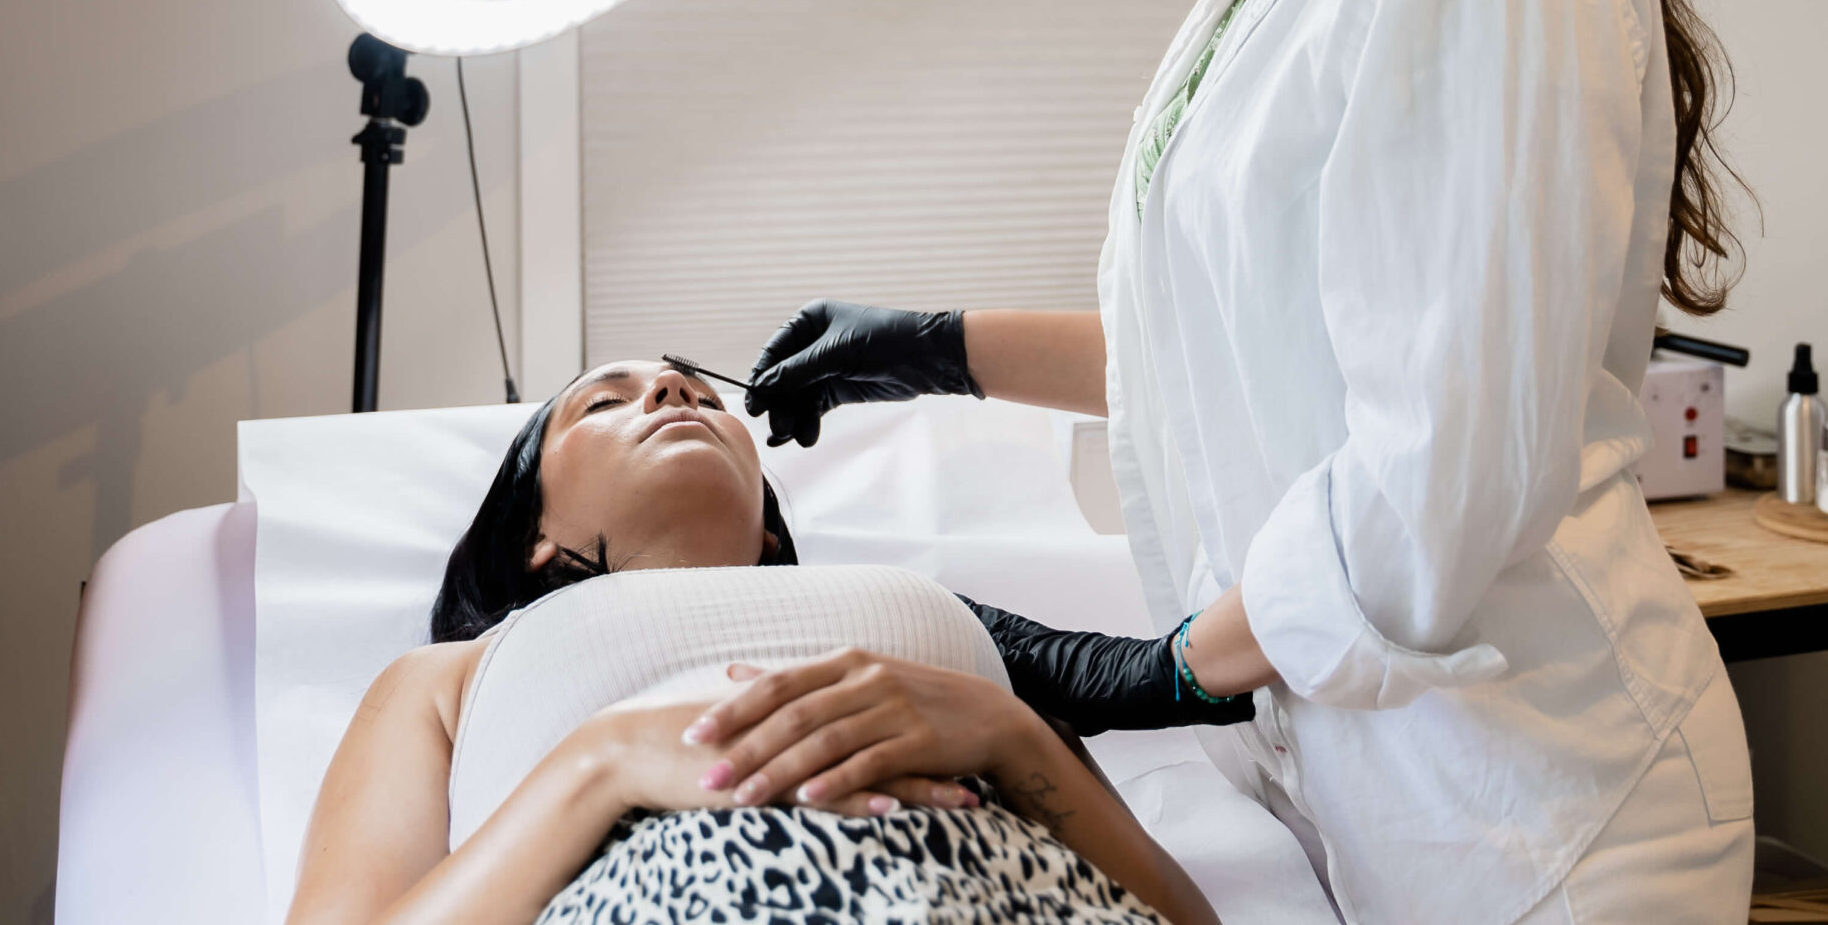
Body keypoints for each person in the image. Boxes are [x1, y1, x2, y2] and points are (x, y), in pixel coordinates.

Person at [735, 0, 1759, 925]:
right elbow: (1244, 353)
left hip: (1548, 818)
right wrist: (937, 348)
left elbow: (1447, 468)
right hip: (1389, 794)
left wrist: (1162, 672)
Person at [285, 357, 1223, 925]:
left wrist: (1010, 734)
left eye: (692, 390)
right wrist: (603, 765)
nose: (669, 386)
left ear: (771, 530)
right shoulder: (450, 676)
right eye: (601, 404)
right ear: (535, 535)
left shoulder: (924, 612)